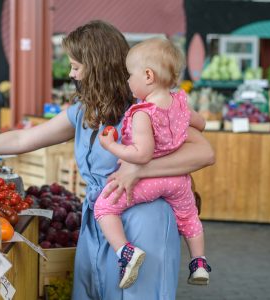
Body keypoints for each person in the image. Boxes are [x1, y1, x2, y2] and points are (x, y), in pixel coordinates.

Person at [0, 20, 214, 299]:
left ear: (97, 67)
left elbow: (204, 152)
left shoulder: (147, 107)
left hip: (143, 220)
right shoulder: (84, 111)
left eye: (77, 66)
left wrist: (139, 170)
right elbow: (21, 139)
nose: (72, 74)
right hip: (99, 221)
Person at [95, 37, 211, 289]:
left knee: (104, 208)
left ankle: (125, 253)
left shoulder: (142, 113)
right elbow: (201, 124)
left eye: (129, 75)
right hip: (179, 180)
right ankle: (199, 262)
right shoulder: (179, 101)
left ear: (148, 75)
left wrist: (111, 146)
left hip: (150, 181)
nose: (127, 81)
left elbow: (142, 155)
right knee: (189, 217)